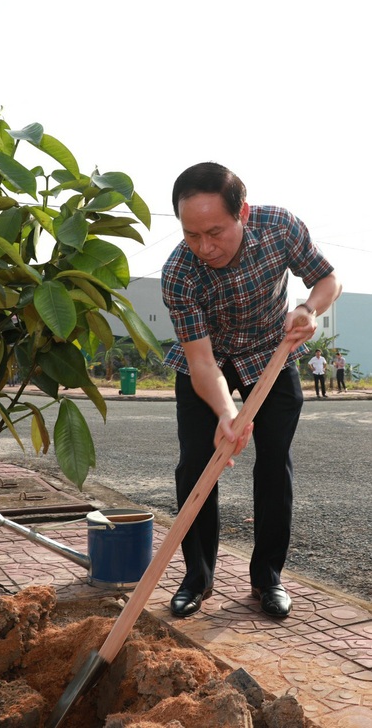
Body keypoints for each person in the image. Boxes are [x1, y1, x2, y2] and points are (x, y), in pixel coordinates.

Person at [161, 162, 341, 620]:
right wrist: (225, 412)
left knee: (274, 464)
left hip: (271, 354)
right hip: (210, 363)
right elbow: (201, 362)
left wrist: (308, 308)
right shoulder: (180, 273)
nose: (205, 247)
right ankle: (197, 578)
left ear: (242, 211)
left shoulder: (278, 226)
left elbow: (327, 279)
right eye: (192, 235)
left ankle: (268, 578)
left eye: (216, 232)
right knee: (195, 464)